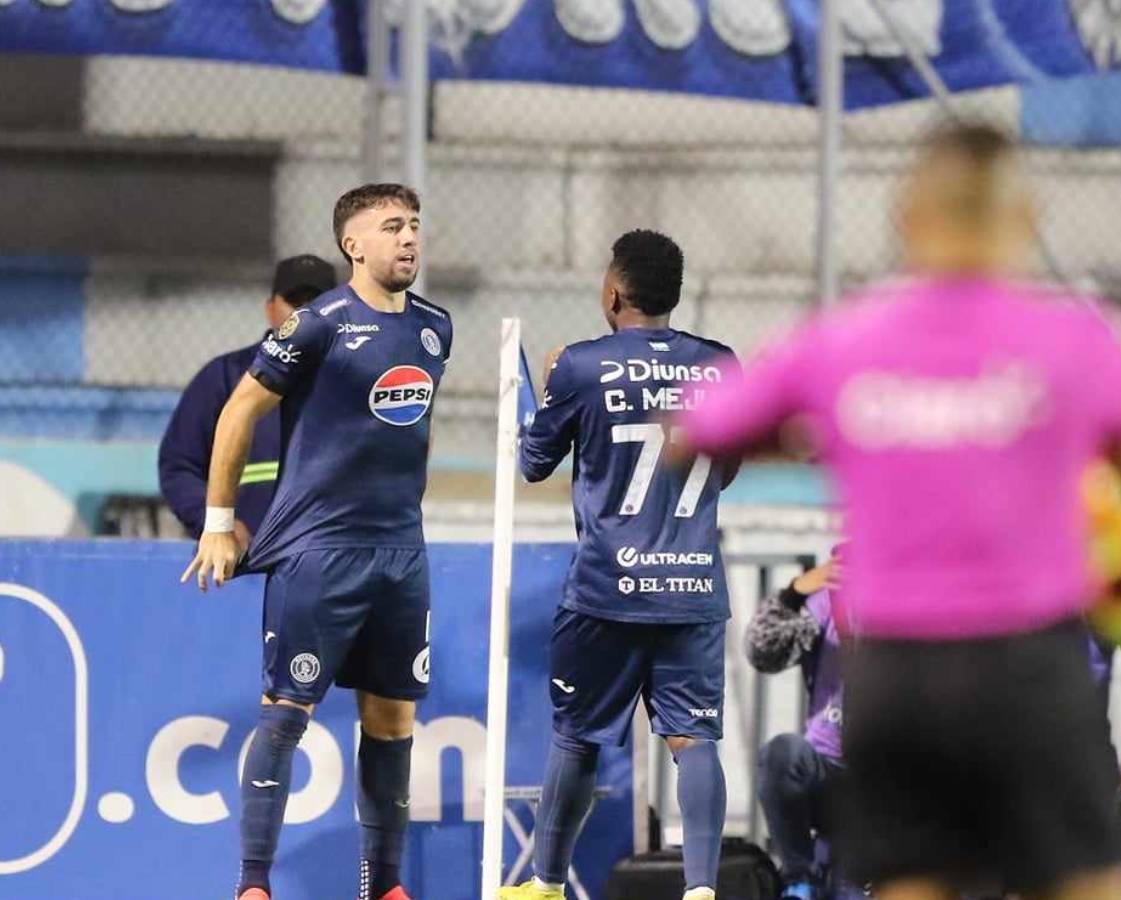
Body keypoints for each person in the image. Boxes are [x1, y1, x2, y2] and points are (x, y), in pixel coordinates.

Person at [679, 123, 1121, 900]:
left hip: (898, 675)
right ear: (1026, 218)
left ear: (906, 220)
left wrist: (825, 432)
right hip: (1028, 663)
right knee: (1091, 881)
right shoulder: (1078, 337)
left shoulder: (842, 340)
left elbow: (705, 427)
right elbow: (1120, 437)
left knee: (910, 883)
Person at [180, 183, 451, 900]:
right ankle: (254, 885)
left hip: (401, 554)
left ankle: (383, 885)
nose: (408, 238)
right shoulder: (317, 324)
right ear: (352, 245)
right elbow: (240, 408)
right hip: (318, 551)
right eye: (391, 227)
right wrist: (217, 523)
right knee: (286, 713)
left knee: (392, 721)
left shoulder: (434, 328)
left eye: (415, 226)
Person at [500, 230, 739, 900]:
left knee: (576, 739)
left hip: (606, 589)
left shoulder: (580, 365)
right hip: (692, 587)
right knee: (692, 740)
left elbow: (532, 460)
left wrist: (535, 392)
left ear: (613, 291)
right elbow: (725, 468)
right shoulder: (721, 365)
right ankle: (701, 891)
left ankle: (545, 887)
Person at [158, 254, 337, 545]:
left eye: (316, 303)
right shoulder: (223, 377)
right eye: (294, 302)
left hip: (328, 560)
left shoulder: (355, 380)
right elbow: (179, 466)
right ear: (270, 309)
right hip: (238, 566)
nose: (304, 313)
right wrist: (218, 526)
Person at [744, 551, 846, 900]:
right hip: (830, 772)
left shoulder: (930, 605)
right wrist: (793, 594)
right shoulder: (830, 601)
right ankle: (798, 878)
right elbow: (761, 652)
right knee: (782, 753)